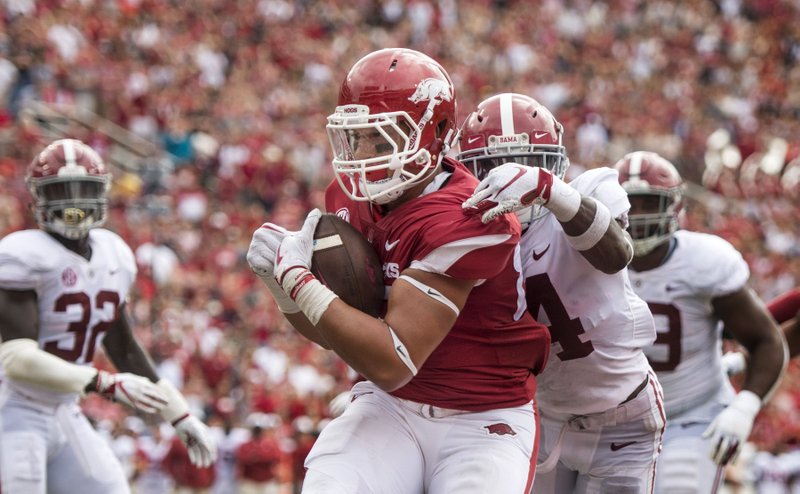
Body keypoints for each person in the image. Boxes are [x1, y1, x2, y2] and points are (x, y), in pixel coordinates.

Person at [247, 48, 552, 493]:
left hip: (481, 415)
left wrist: (300, 280)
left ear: (439, 131)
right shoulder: (348, 199)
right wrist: (281, 288)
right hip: (391, 405)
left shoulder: (470, 214)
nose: (365, 155)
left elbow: (394, 360)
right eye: (359, 137)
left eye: (383, 139)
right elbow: (337, 332)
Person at [459, 93, 665, 493]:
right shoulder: (465, 232)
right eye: (493, 166)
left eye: (528, 163)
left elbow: (616, 254)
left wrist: (552, 192)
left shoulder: (589, 188)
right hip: (539, 416)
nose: (511, 176)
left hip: (622, 416)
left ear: (553, 164)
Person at [0, 138, 217, 493]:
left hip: (64, 407)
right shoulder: (22, 254)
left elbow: (125, 348)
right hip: (13, 405)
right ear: (39, 197)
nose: (72, 203)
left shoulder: (112, 254)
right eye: (60, 192)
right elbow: (16, 360)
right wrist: (103, 382)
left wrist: (179, 414)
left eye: (82, 189)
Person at [613, 151, 787, 493]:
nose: (638, 216)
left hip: (690, 415)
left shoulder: (703, 261)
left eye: (649, 203)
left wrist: (745, 406)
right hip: (612, 422)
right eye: (629, 204)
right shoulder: (585, 261)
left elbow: (766, 339)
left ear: (674, 207)